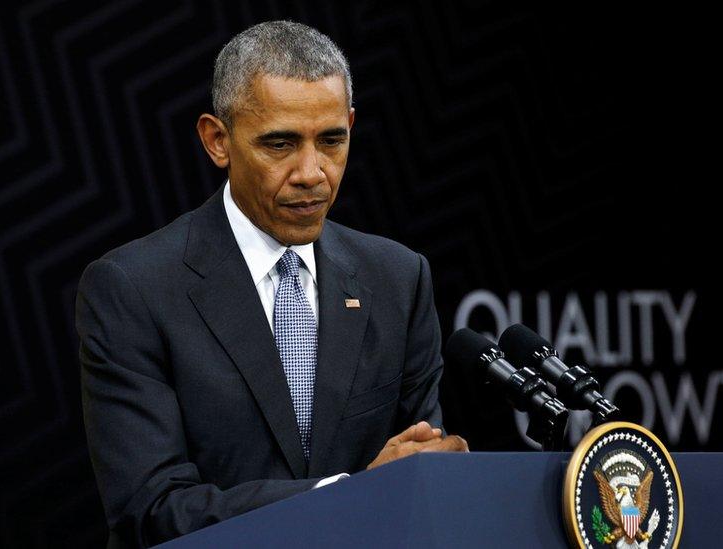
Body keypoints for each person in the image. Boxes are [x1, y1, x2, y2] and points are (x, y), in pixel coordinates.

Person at [76, 20, 468, 548]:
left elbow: (420, 474)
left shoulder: (397, 277)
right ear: (218, 140)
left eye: (332, 140)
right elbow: (152, 511)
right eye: (280, 144)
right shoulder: (134, 289)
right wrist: (349, 493)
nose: (312, 172)